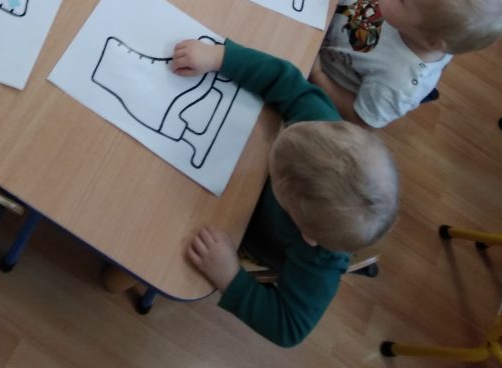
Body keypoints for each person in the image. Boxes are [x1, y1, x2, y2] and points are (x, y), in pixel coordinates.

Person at [170, 37, 399, 348]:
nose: (280, 140)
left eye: (277, 170)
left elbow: (289, 329)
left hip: (241, 233)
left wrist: (229, 276)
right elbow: (285, 80)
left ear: (307, 234)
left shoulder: (319, 261)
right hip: (228, 173)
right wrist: (218, 57)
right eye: (288, 134)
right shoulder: (320, 129)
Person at [309, 0, 502, 128]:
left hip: (316, 71)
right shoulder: (410, 6)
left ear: (430, 40)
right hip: (321, 17)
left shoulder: (397, 83)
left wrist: (318, 75)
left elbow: (361, 118)